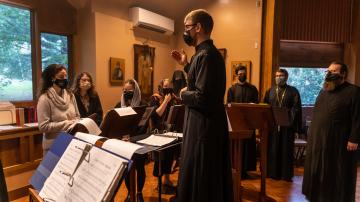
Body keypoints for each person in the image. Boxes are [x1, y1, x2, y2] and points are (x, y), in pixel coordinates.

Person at [171, 9, 233, 202]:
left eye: (187, 27)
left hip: (203, 128)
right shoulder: (204, 54)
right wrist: (186, 64)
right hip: (202, 124)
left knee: (201, 175)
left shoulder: (206, 55)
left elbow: (203, 97)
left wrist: (183, 93)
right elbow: (201, 82)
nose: (185, 31)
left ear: (198, 27)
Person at [302, 62, 360, 202]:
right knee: (318, 171)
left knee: (337, 173)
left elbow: (358, 117)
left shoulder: (354, 91)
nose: (329, 73)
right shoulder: (324, 91)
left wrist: (354, 138)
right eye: (328, 70)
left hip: (339, 142)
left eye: (333, 71)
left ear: (343, 74)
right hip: (319, 140)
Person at [264, 68, 302, 181]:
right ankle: (272, 173)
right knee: (273, 149)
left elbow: (296, 109)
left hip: (287, 126)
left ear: (286, 77)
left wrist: (288, 120)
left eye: (281, 75)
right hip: (273, 126)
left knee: (286, 150)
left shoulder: (293, 91)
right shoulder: (270, 90)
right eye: (276, 75)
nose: (278, 77)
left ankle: (285, 174)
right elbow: (265, 106)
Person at [114, 79, 146, 202]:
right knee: (127, 169)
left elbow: (144, 125)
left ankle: (139, 193)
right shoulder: (118, 105)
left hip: (139, 141)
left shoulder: (142, 104)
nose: (126, 93)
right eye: (124, 90)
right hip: (124, 142)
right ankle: (129, 192)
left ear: (136, 91)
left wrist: (133, 137)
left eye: (130, 91)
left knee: (140, 167)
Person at [37, 64, 80, 155]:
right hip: (53, 145)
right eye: (61, 76)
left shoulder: (70, 95)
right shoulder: (44, 98)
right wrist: (66, 123)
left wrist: (77, 122)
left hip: (71, 142)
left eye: (66, 76)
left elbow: (77, 116)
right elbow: (43, 126)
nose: (64, 79)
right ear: (52, 78)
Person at [149, 78, 181, 193]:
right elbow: (157, 114)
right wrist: (166, 101)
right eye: (165, 86)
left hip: (170, 131)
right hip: (158, 132)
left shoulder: (172, 98)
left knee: (169, 155)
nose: (167, 89)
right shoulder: (155, 98)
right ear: (161, 86)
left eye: (169, 86)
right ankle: (159, 182)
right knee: (160, 158)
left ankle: (167, 179)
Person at [227, 64, 258, 178]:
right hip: (236, 123)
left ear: (246, 74)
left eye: (244, 74)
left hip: (249, 123)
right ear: (236, 75)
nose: (242, 75)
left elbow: (256, 104)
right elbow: (229, 106)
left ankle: (245, 170)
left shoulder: (253, 89)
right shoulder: (232, 90)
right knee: (236, 147)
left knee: (248, 147)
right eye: (240, 74)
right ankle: (235, 169)